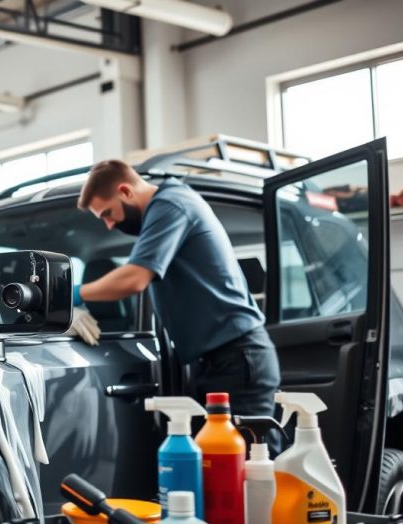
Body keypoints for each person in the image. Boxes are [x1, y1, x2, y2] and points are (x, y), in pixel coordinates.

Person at [71, 159, 281, 436]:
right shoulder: (168, 206)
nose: (109, 225)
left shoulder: (170, 205)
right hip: (221, 360)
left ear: (125, 191)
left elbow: (135, 278)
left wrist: (72, 294)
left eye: (107, 213)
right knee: (218, 467)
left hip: (238, 357)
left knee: (246, 470)